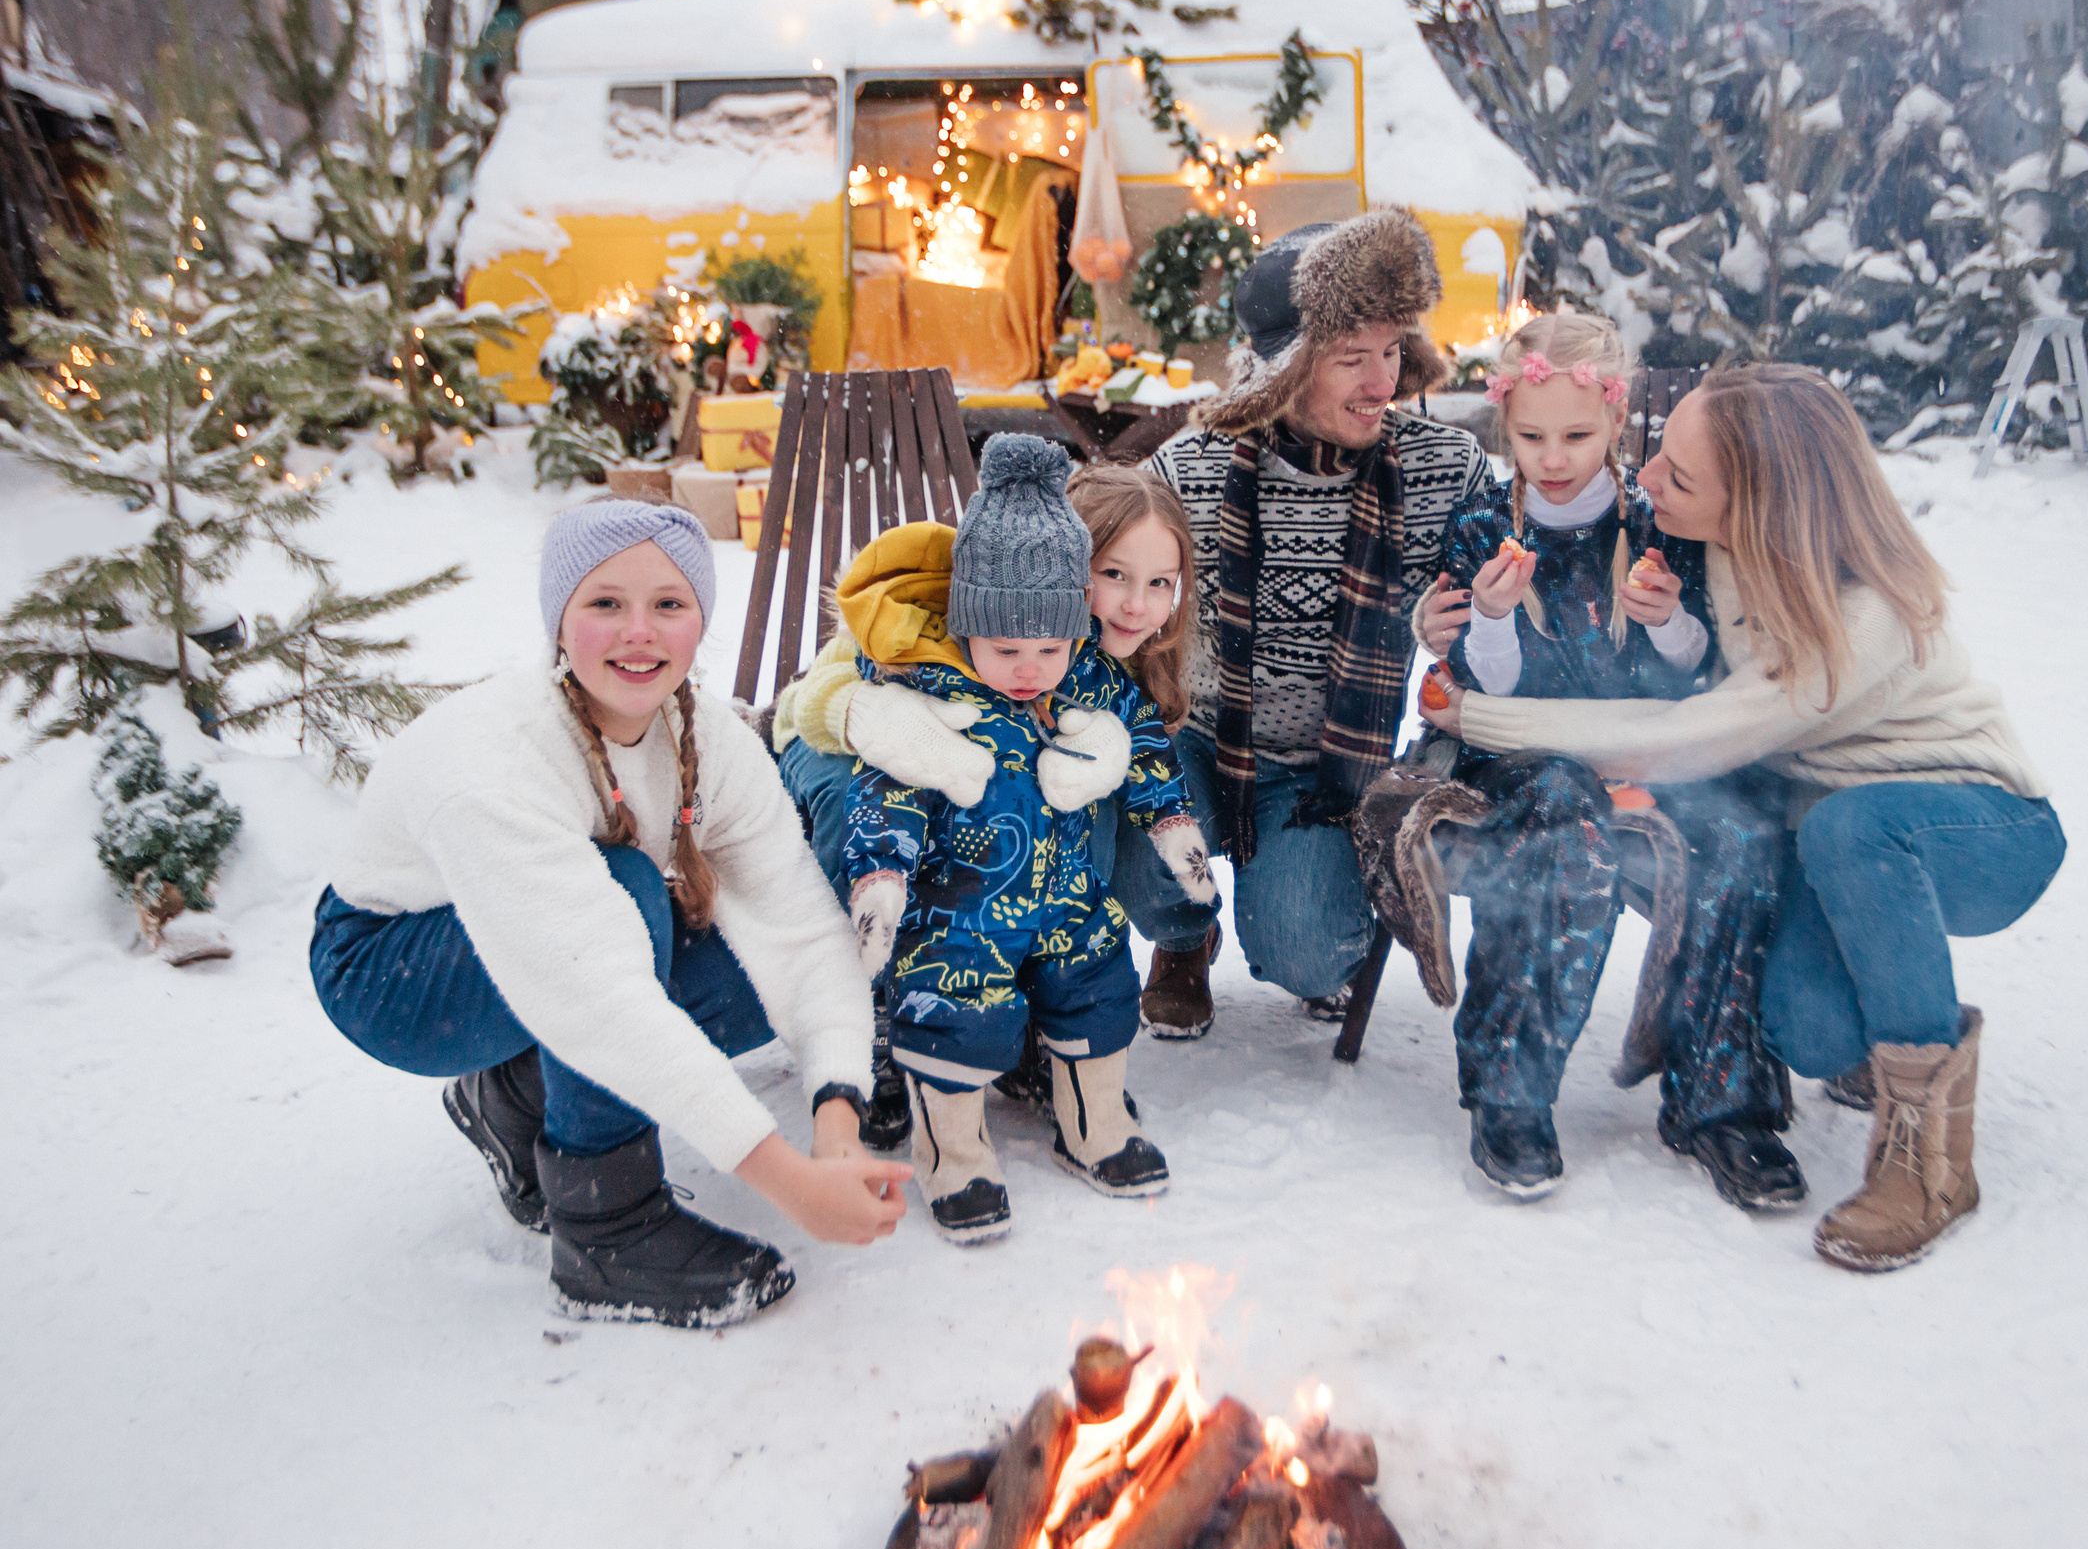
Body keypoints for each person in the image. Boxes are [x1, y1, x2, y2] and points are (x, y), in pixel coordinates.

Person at [1428, 364, 2065, 1269]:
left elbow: (1685, 732)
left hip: (1979, 825)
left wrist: (1479, 715)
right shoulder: (1715, 543)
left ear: (1759, 505)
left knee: (1848, 830)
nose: (1646, 480)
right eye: (1660, 459)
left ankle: (1928, 1162)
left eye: (1677, 479)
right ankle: (1892, 995)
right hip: (1835, 830)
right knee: (1807, 1028)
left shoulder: (1861, 618)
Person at [309, 500, 910, 1329]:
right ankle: (608, 1230)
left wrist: (834, 1120)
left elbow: (801, 930)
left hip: (543, 942)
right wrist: (786, 1181)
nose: (640, 631)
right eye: (604, 604)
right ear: (559, 622)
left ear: (701, 619)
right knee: (625, 892)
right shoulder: (496, 757)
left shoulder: (707, 736)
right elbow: (597, 991)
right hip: (391, 969)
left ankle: (515, 1095)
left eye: (668, 604)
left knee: (746, 966)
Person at [785, 436, 1216, 1244]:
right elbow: (876, 776)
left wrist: (1174, 825)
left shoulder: (1092, 669)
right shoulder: (927, 664)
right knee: (947, 996)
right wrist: (880, 871)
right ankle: (945, 1139)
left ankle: (1095, 1124)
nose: (1133, 602)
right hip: (945, 873)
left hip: (1056, 890)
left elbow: (1149, 745)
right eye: (1114, 575)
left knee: (1095, 979)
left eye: (1159, 582)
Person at [1418, 314, 1801, 1205]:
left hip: (1647, 746)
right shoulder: (1482, 527)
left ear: (1619, 423)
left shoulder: (1655, 523)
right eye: (1532, 438)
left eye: (1578, 436)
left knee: (1741, 834)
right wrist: (1493, 616)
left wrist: (1668, 620)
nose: (1554, 458)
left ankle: (1721, 1097)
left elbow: (1690, 675)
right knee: (1566, 823)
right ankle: (1511, 1090)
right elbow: (1486, 696)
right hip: (1522, 755)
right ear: (1505, 429)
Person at [1124, 206, 1493, 1036]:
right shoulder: (1192, 468)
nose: (1382, 382)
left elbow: (1503, 621)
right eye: (1350, 358)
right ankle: (1185, 935)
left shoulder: (1444, 469)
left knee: (1310, 950)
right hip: (1202, 735)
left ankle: (1302, 906)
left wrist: (1463, 627)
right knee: (1131, 842)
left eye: (1393, 351)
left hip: (1331, 763)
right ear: (1283, 371)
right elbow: (1097, 568)